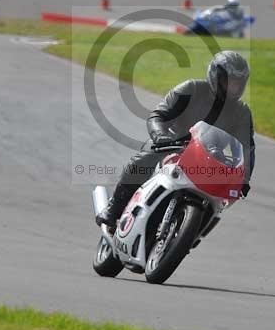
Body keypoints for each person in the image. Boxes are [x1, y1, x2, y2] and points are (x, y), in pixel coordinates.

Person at [95, 51, 256, 229]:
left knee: (221, 200)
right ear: (215, 77)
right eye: (228, 82)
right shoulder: (191, 89)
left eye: (237, 84)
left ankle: (195, 231)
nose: (232, 88)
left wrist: (244, 179)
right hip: (173, 145)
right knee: (143, 160)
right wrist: (161, 137)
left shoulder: (241, 112)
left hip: (210, 160)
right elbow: (158, 115)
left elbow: (247, 148)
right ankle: (113, 209)